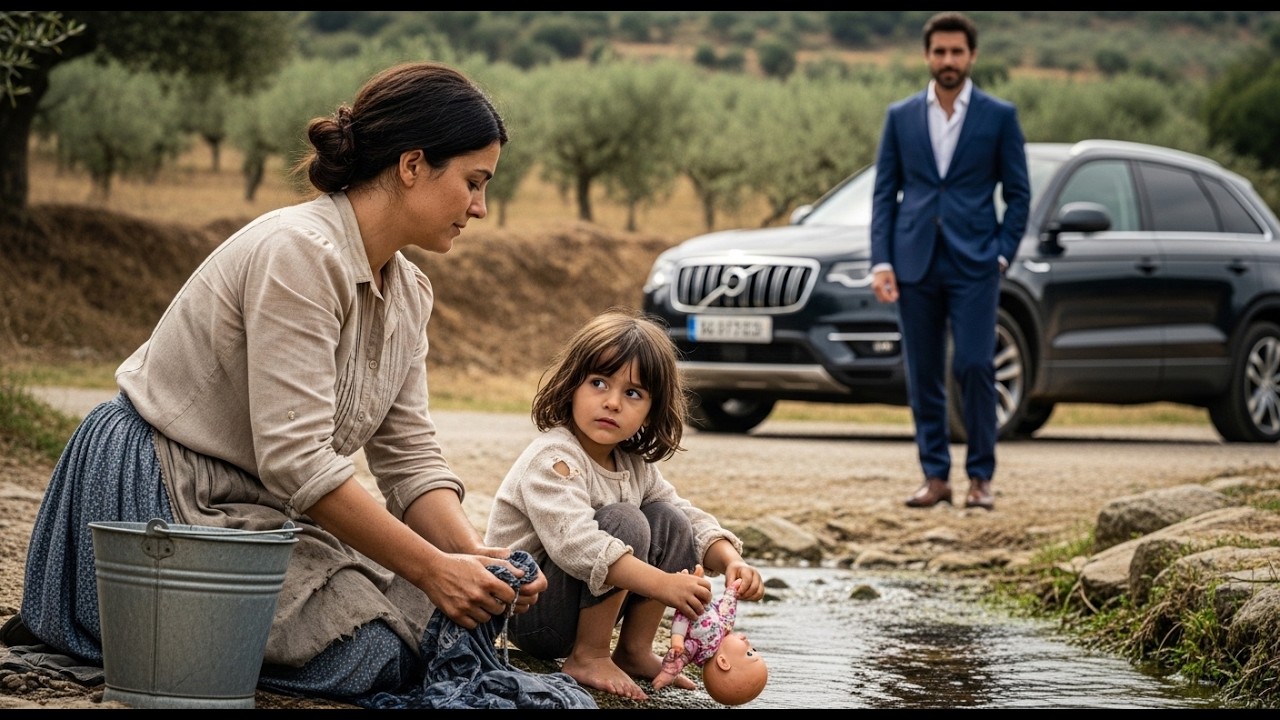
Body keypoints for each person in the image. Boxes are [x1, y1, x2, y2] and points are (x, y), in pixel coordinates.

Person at [12, 61, 554, 703]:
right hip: (164, 485)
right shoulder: (299, 253)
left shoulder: (409, 291)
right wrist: (434, 568)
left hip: (262, 504)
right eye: (473, 182)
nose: (480, 208)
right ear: (412, 166)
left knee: (429, 624)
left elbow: (408, 459)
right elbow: (295, 459)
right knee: (378, 655)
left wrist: (472, 556)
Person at [484, 306, 765, 702]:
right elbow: (578, 545)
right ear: (571, 385)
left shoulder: (632, 465)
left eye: (632, 393)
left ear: (651, 411)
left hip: (573, 606)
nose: (613, 402)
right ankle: (589, 655)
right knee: (624, 520)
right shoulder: (552, 459)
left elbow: (683, 514)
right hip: (530, 613)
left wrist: (730, 559)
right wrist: (664, 585)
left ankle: (632, 650)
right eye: (599, 383)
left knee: (669, 520)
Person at [869, 11, 1031, 512]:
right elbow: (885, 194)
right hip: (914, 261)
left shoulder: (998, 116)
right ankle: (935, 477)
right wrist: (882, 261)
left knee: (976, 365)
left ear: (972, 55)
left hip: (975, 263)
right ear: (927, 55)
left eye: (956, 52)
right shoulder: (901, 116)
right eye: (939, 51)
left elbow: (1019, 193)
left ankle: (981, 477)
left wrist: (1002, 250)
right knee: (923, 373)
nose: (947, 60)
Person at [651, 567, 768, 706]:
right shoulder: (726, 628)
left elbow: (678, 659)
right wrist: (734, 589)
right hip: (700, 596)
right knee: (698, 581)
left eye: (749, 652)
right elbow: (727, 606)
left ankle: (688, 579)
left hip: (685, 606)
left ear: (723, 662)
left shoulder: (699, 648)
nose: (747, 641)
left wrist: (667, 673)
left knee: (686, 590)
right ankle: (695, 579)